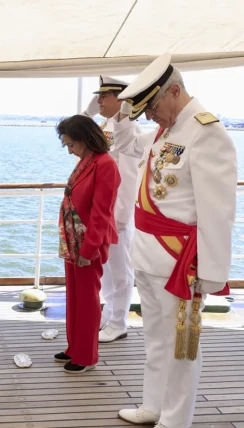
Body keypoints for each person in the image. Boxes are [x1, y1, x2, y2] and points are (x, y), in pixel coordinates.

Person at [112, 53, 236, 428]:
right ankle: (153, 405)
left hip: (180, 261)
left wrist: (212, 273)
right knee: (155, 339)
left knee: (182, 348)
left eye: (152, 107)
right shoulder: (166, 131)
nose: (150, 116)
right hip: (148, 256)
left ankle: (175, 420)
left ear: (175, 91)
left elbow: (217, 212)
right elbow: (130, 148)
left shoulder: (207, 133)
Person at [55, 115, 121, 374]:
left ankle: (86, 355)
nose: (69, 150)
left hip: (88, 243)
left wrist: (89, 249)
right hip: (73, 240)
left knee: (87, 300)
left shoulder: (105, 165)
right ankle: (74, 346)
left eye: (71, 144)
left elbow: (102, 212)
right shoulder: (86, 161)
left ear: (85, 139)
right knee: (74, 296)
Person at [81, 76, 142, 343]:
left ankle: (119, 322)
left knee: (120, 270)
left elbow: (128, 179)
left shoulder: (132, 134)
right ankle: (109, 312)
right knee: (104, 267)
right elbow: (76, 134)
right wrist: (87, 114)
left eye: (104, 97)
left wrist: (119, 219)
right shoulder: (105, 127)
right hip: (101, 213)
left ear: (122, 100)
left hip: (116, 215)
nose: (99, 101)